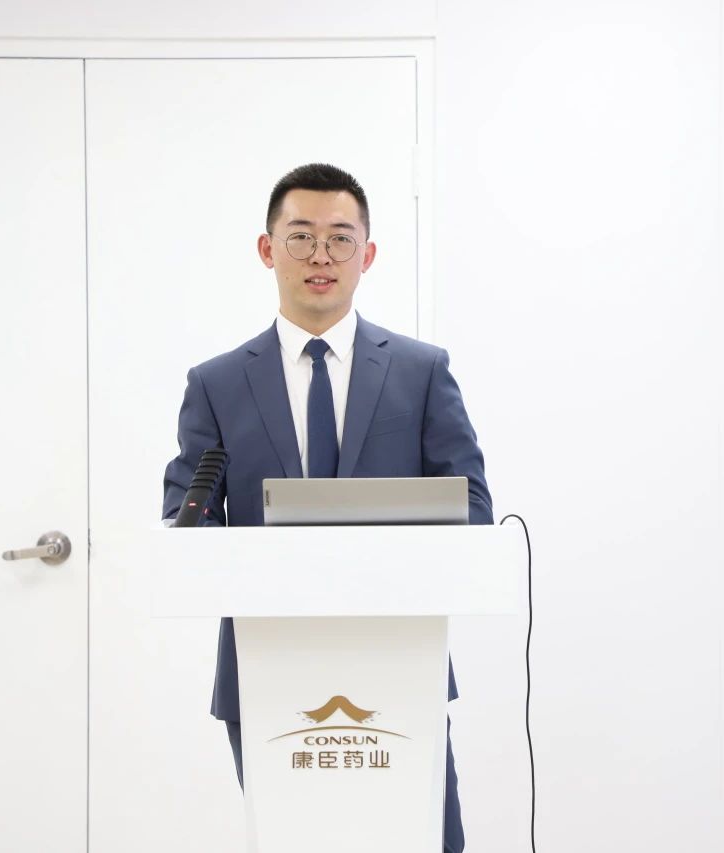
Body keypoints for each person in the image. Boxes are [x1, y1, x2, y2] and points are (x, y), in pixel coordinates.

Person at [162, 162, 491, 853]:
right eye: (301, 236)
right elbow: (188, 517)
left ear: (366, 255)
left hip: (399, 662)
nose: (321, 256)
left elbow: (472, 507)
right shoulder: (217, 384)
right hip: (267, 671)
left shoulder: (420, 372)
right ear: (267, 249)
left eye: (341, 238)